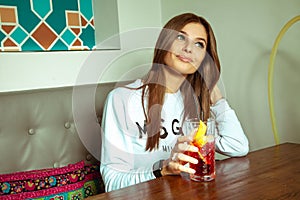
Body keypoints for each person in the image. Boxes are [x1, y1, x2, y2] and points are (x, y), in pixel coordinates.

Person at [100, 13, 249, 192]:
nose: (188, 48)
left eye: (199, 44)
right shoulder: (121, 99)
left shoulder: (193, 104)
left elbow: (238, 146)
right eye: (180, 37)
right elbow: (112, 182)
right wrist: (162, 170)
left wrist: (215, 95)